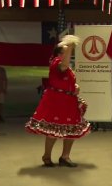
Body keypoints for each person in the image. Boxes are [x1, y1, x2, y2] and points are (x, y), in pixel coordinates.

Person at [25, 35, 90, 168]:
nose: (68, 52)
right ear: (60, 53)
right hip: (56, 100)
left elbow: (67, 79)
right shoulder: (56, 62)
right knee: (53, 128)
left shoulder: (66, 67)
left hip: (69, 100)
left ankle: (65, 156)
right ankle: (47, 156)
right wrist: (70, 46)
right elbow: (64, 65)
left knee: (71, 129)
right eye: (65, 50)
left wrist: (75, 87)